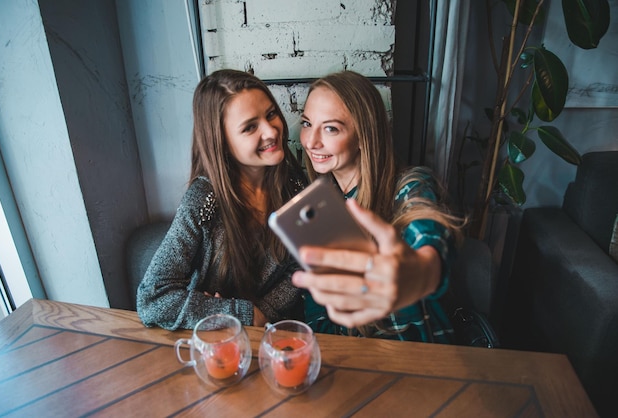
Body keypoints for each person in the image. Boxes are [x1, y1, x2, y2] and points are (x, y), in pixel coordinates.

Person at [292, 70, 464, 343]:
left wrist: (420, 273)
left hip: (418, 355)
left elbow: (429, 238)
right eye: (306, 123)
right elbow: (318, 310)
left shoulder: (410, 186)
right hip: (350, 360)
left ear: (363, 136)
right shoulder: (320, 207)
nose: (311, 142)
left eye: (331, 128)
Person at [136, 69, 308, 331]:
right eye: (250, 127)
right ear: (222, 142)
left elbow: (300, 268)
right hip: (218, 343)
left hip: (278, 335)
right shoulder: (204, 199)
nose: (271, 131)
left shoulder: (294, 184)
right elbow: (152, 299)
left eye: (271, 114)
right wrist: (238, 313)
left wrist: (259, 316)